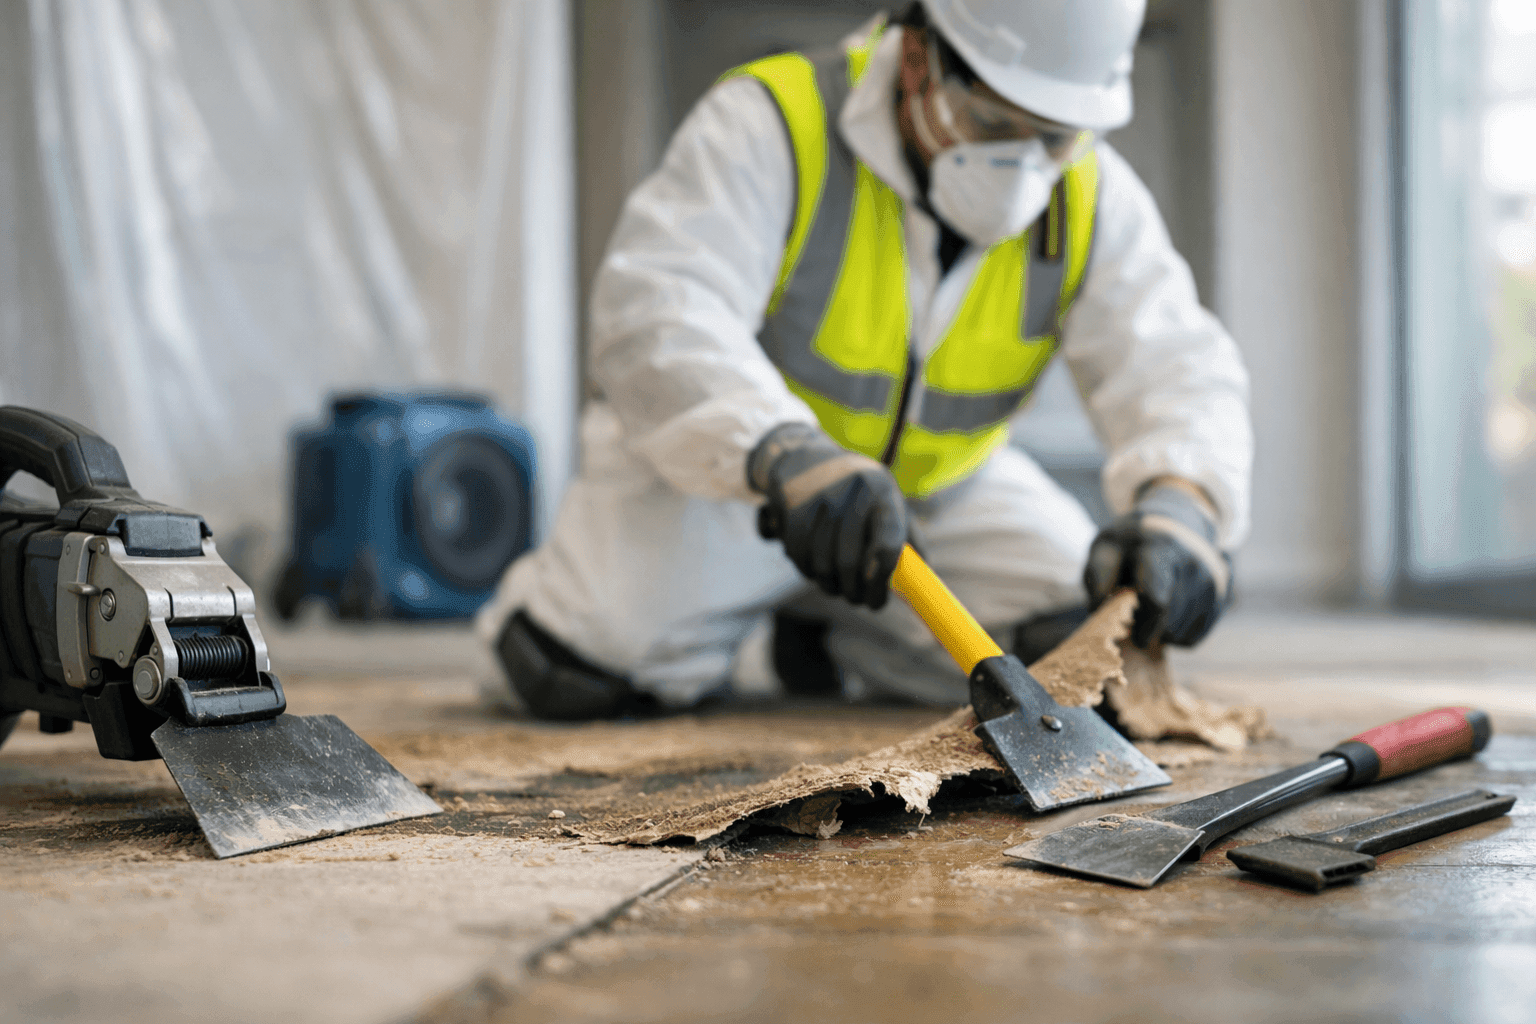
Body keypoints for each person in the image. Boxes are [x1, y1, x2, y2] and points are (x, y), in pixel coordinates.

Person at [478, 0, 1251, 720]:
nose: (1022, 164)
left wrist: (1184, 506)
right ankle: (732, 609)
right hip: (742, 486)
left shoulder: (1089, 194)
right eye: (989, 119)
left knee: (1075, 662)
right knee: (579, 664)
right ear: (918, 55)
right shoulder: (775, 123)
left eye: (1052, 134)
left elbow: (1176, 360)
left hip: (943, 498)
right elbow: (659, 312)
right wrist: (786, 453)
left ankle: (836, 630)